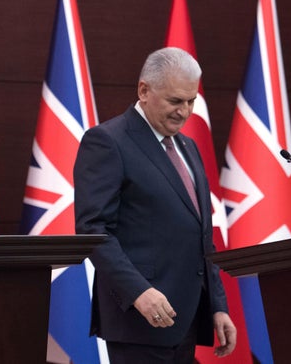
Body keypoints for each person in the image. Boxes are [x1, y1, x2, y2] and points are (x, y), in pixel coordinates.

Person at [74, 47, 236, 363]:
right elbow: (93, 231)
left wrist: (217, 305)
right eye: (175, 101)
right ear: (144, 90)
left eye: (191, 101)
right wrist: (138, 292)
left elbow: (202, 234)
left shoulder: (188, 146)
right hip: (139, 319)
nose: (184, 112)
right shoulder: (107, 141)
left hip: (186, 318)